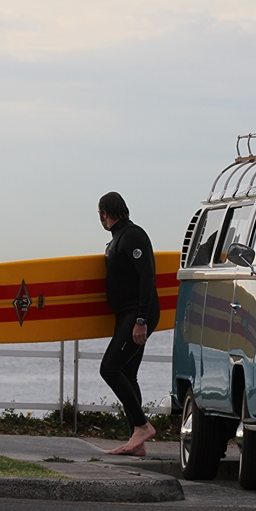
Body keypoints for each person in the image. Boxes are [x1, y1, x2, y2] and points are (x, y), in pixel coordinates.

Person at [98, 192, 160, 456]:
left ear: (104, 213)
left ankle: (142, 426)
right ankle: (138, 442)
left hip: (137, 314)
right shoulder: (118, 238)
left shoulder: (133, 235)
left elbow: (147, 277)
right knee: (128, 372)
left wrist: (141, 320)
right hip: (126, 314)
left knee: (109, 369)